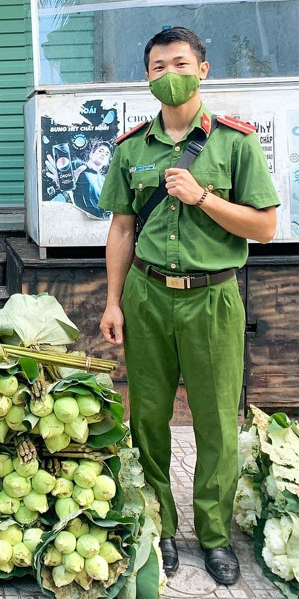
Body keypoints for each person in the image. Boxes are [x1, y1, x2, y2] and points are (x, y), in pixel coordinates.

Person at [98, 27, 279, 585]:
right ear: (146, 77)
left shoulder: (235, 142)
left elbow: (266, 227)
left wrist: (202, 197)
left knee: (218, 423)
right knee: (147, 417)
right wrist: (113, 302)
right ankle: (161, 526)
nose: (167, 73)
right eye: (156, 66)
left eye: (179, 62)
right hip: (147, 296)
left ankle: (216, 535)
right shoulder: (131, 148)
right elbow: (121, 228)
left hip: (214, 297)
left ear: (202, 69)